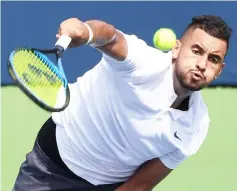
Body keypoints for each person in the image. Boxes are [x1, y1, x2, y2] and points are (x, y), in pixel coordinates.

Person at [13, 15, 232, 191]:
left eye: (213, 59)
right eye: (196, 51)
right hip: (51, 169)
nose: (202, 64)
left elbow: (141, 184)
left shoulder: (196, 126)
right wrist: (86, 31)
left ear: (220, 70)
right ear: (176, 49)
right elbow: (109, 36)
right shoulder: (142, 63)